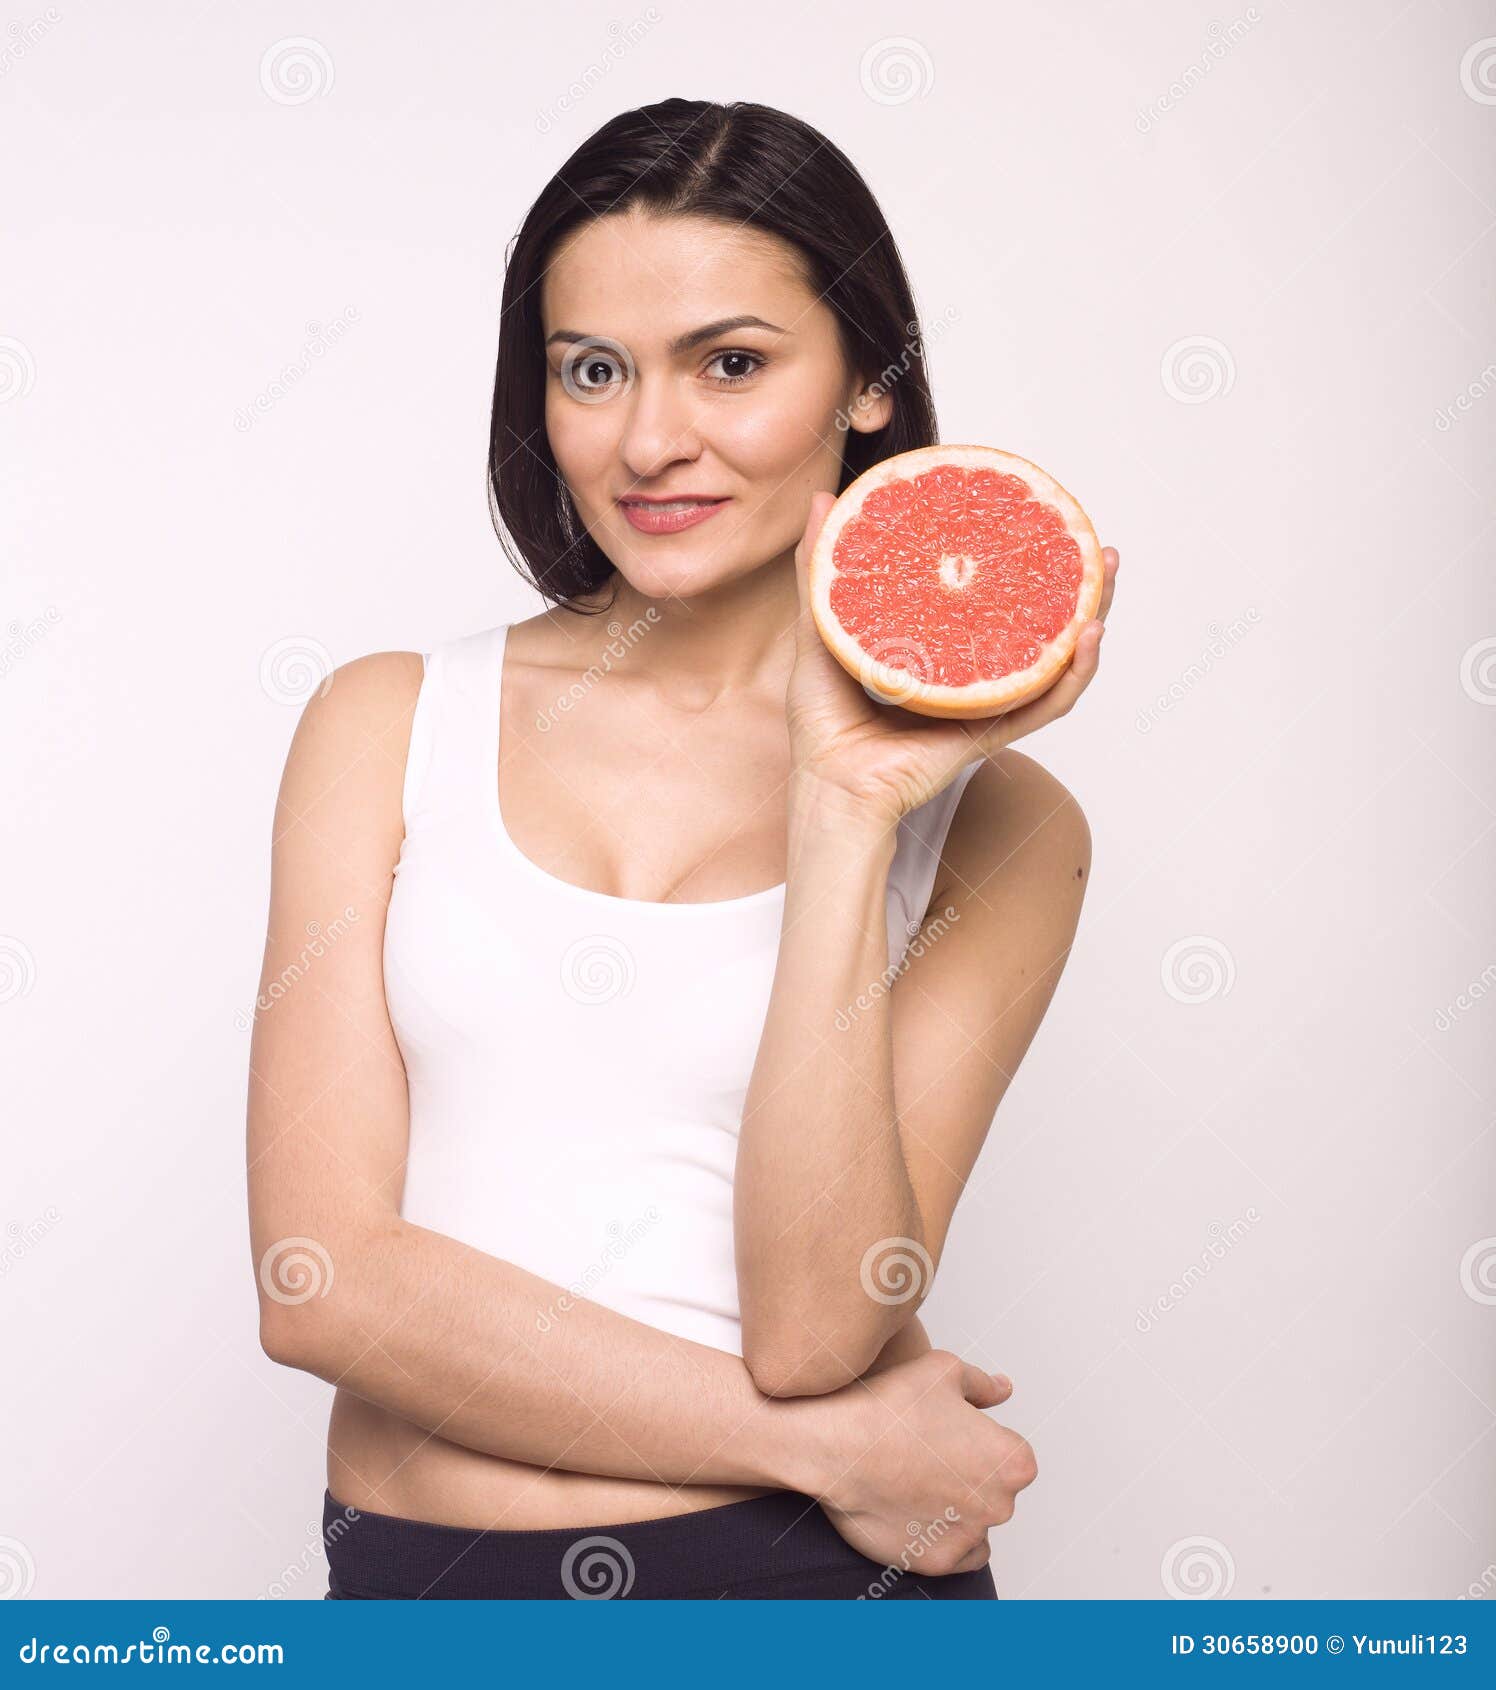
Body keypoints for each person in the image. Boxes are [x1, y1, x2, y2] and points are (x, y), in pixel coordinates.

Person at [246, 96, 1117, 1601]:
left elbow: (817, 1325)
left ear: (864, 383)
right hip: (433, 1581)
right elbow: (322, 1282)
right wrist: (830, 1450)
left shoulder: (1006, 824)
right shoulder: (387, 721)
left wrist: (844, 815)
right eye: (594, 370)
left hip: (822, 1596)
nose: (651, 440)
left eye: (732, 361)